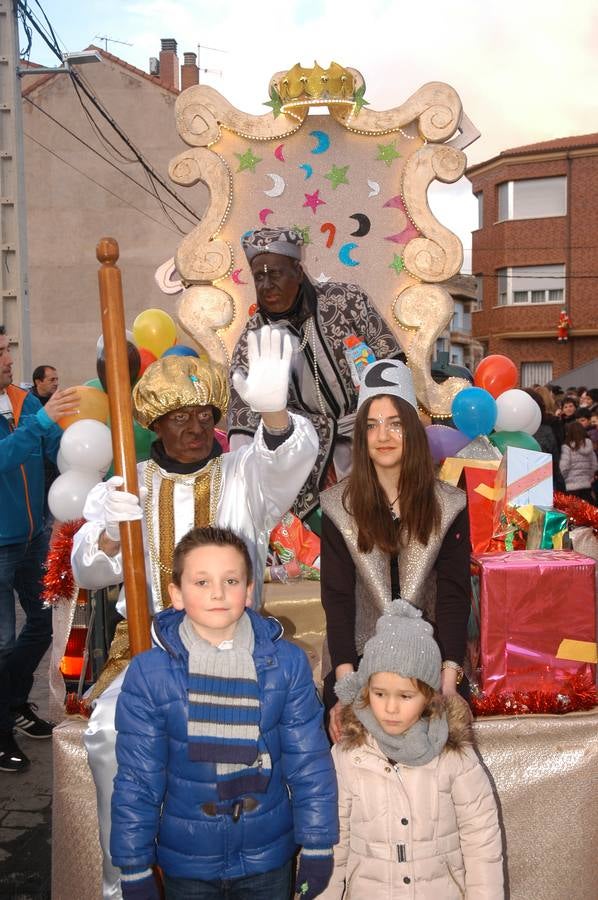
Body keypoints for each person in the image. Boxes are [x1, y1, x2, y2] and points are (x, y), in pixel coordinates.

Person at [71, 328, 319, 898]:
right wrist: (108, 533)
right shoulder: (129, 483)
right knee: (108, 733)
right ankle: (125, 878)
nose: (194, 428)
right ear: (155, 424)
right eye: (179, 417)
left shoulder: (242, 474)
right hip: (151, 652)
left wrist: (274, 413)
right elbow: (87, 572)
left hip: (238, 651)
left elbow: (285, 463)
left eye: (204, 415)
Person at [111, 526, 338, 900]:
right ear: (176, 594)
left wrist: (317, 843)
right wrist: (134, 864)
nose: (217, 593)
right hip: (189, 860)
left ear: (248, 590)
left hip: (267, 856)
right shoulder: (150, 674)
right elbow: (138, 777)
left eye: (230, 580)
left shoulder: (286, 664)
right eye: (201, 582)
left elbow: (309, 761)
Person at [320, 359, 471, 742]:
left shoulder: (449, 503)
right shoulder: (338, 505)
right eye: (371, 425)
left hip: (432, 658)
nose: (382, 435)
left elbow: (454, 596)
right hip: (359, 661)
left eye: (394, 423)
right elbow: (337, 600)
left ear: (412, 430)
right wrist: (346, 687)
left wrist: (449, 681)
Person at [318, 598, 503, 900]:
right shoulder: (349, 754)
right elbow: (331, 843)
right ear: (366, 689)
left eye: (405, 696)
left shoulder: (453, 754)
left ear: (429, 695)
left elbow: (481, 840)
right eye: (379, 694)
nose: (390, 708)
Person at [228, 226, 404, 525]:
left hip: (373, 436)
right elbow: (243, 419)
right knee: (327, 537)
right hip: (309, 455)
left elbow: (392, 362)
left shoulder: (346, 301)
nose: (267, 285)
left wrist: (389, 425)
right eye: (259, 277)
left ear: (298, 271)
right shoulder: (253, 338)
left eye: (276, 274)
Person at [0, 326, 78, 772]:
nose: (9, 359)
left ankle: (13, 703)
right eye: (0, 352)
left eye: (7, 349)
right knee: (2, 641)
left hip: (32, 537)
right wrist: (42, 423)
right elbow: (4, 457)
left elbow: (53, 448)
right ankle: (1, 731)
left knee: (45, 620)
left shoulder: (22, 400)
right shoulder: (31, 409)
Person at [559, 421, 597, 504]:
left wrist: (564, 479)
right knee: (588, 509)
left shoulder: (567, 447)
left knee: (574, 510)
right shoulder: (589, 445)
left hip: (572, 486)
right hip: (586, 485)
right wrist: (590, 478)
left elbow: (564, 467)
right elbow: (594, 465)